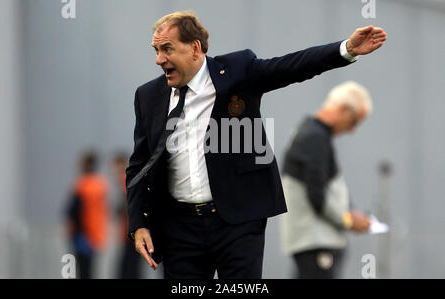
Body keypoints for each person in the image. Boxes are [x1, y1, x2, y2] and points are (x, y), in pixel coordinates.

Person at [126, 11, 387, 279]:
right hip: (179, 228)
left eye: (167, 49)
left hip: (237, 222)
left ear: (194, 48)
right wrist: (139, 223)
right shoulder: (148, 96)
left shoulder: (238, 71)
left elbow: (292, 66)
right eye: (156, 50)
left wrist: (346, 49)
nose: (159, 59)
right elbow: (138, 166)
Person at [280, 81, 373, 279]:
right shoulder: (314, 137)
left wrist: (349, 212)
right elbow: (317, 196)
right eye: (355, 121)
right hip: (315, 243)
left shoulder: (310, 132)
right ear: (344, 109)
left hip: (311, 242)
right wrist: (348, 220)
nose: (353, 130)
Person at [65, 151, 109, 279]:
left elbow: (72, 211)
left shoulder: (82, 185)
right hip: (96, 235)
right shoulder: (101, 185)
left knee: (81, 271)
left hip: (82, 235)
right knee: (90, 271)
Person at [111, 152, 145, 279]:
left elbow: (129, 205)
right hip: (132, 232)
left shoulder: (125, 180)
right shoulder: (128, 179)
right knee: (131, 268)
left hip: (132, 232)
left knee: (128, 269)